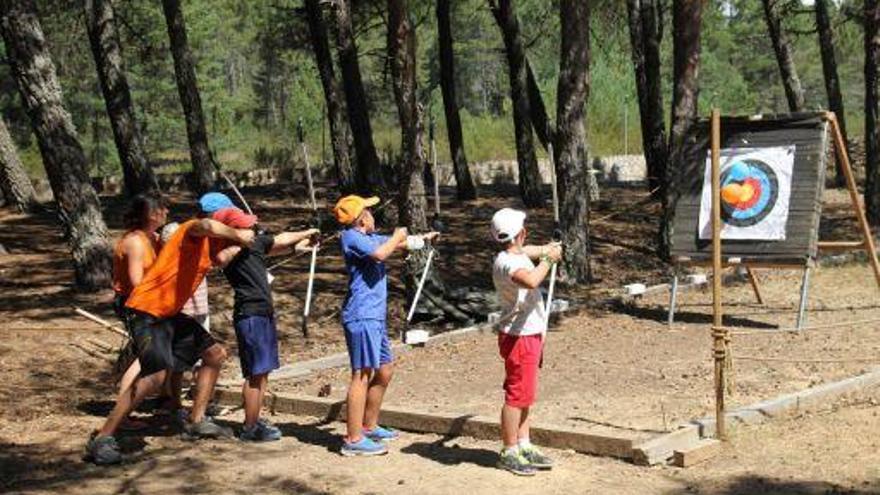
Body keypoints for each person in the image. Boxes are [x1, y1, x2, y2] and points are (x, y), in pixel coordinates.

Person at [84, 193, 255, 466]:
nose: (243, 230)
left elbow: (227, 255)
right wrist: (238, 235)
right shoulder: (193, 228)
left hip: (168, 314)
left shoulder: (210, 246)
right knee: (154, 377)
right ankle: (103, 437)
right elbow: (208, 226)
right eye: (236, 225)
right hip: (147, 312)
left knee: (215, 354)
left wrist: (258, 242)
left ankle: (196, 420)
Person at [333, 194, 438, 456]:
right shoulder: (352, 238)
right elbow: (382, 253)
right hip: (361, 315)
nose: (373, 214)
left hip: (375, 316)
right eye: (368, 211)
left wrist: (424, 239)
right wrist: (396, 235)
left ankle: (368, 426)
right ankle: (353, 440)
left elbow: (399, 245)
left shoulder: (368, 237)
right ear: (360, 218)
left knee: (385, 370)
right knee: (361, 374)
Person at [213, 206, 319, 441]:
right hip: (250, 314)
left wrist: (300, 242)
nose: (251, 228)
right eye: (244, 225)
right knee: (255, 372)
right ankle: (250, 428)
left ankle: (254, 418)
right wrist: (240, 240)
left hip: (263, 312)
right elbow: (218, 259)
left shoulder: (254, 244)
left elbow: (278, 242)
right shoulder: (229, 249)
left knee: (262, 372)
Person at [490, 207, 561, 476]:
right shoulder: (509, 264)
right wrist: (549, 260)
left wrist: (546, 248)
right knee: (516, 395)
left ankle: (524, 443)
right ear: (521, 233)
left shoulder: (511, 253)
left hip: (528, 333)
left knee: (525, 394)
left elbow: (526, 251)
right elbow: (530, 280)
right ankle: (509, 450)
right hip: (520, 336)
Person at [111, 193, 167, 428]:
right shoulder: (135, 241)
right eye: (164, 209)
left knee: (140, 358)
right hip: (136, 305)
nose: (167, 212)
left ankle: (123, 412)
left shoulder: (152, 237)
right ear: (152, 214)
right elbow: (136, 281)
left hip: (150, 304)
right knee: (143, 361)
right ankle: (121, 416)